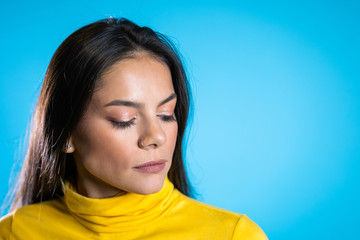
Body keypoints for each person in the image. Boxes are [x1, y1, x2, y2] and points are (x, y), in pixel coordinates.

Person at [0, 18, 267, 239]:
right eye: (124, 119)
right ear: (66, 133)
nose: (156, 137)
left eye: (166, 114)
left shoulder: (234, 235)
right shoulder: (14, 232)